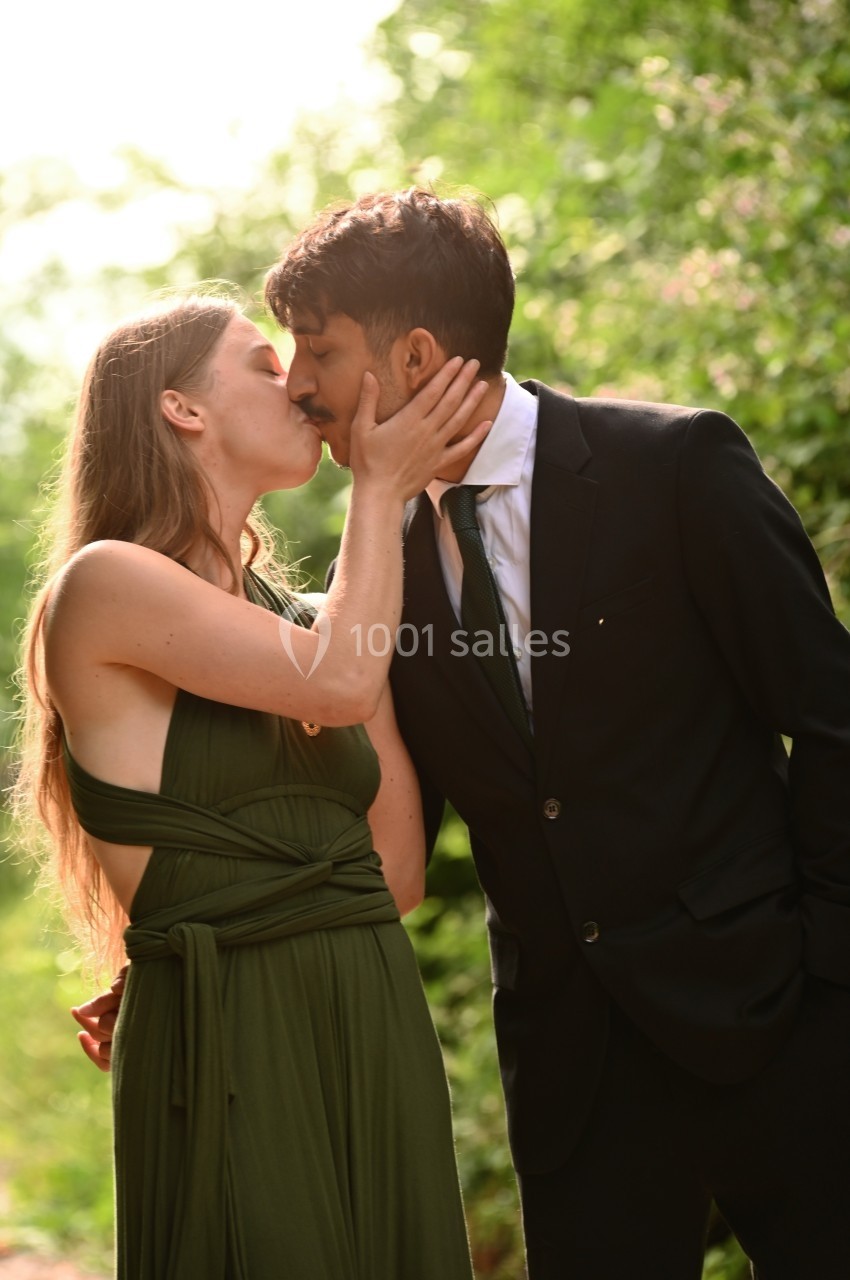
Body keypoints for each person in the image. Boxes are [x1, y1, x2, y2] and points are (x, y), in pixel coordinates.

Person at [78, 190, 850, 1278]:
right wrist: (184, 945)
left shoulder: (674, 466)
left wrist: (829, 976)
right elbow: (361, 825)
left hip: (780, 1025)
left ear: (419, 354)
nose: (300, 383)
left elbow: (831, 718)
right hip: (573, 1067)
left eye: (319, 348)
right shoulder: (375, 565)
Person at [14, 290, 492, 1279]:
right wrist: (380, 494)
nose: (303, 384)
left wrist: (364, 597)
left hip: (368, 1009)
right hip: (230, 1025)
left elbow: (392, 875)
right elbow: (342, 681)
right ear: (183, 408)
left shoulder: (322, 621)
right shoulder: (106, 584)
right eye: (265, 365)